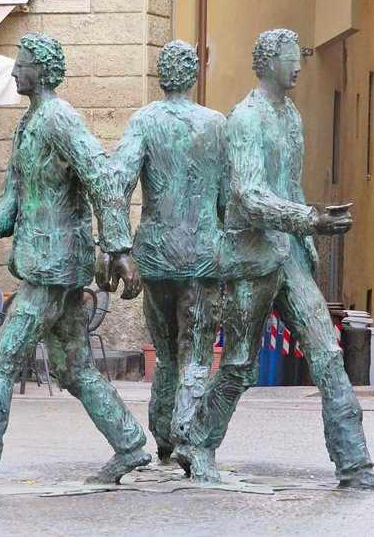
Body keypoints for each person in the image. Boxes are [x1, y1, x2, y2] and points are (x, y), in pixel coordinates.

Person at [0, 33, 150, 497]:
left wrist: (117, 247)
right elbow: (10, 208)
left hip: (52, 271)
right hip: (49, 267)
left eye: (21, 64)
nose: (14, 71)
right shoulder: (28, 124)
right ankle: (129, 443)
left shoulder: (59, 118)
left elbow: (102, 177)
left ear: (42, 70)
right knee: (75, 369)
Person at [183, 29, 374, 491]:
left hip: (288, 256)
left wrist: (307, 235)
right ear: (268, 63)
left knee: (327, 353)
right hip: (253, 256)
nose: (300, 65)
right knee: (242, 363)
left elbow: (290, 183)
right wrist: (307, 220)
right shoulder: (245, 119)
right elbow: (246, 195)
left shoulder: (291, 116)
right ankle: (198, 443)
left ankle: (355, 464)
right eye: (292, 57)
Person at [100, 40, 226, 482]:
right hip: (201, 254)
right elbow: (227, 200)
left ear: (160, 74)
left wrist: (115, 246)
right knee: (195, 351)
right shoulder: (215, 124)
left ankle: (163, 436)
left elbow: (115, 183)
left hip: (154, 253)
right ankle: (189, 435)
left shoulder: (144, 121)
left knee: (167, 353)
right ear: (192, 75)